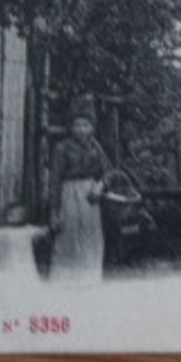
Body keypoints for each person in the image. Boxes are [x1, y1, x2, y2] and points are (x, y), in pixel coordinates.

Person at [49, 97, 115, 280]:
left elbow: (109, 171)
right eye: (77, 125)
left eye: (85, 125)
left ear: (92, 127)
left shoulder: (96, 147)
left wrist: (101, 185)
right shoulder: (62, 148)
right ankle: (66, 280)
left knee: (90, 238)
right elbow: (55, 180)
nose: (81, 130)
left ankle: (89, 279)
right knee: (69, 237)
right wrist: (54, 211)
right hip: (69, 195)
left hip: (90, 198)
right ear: (71, 127)